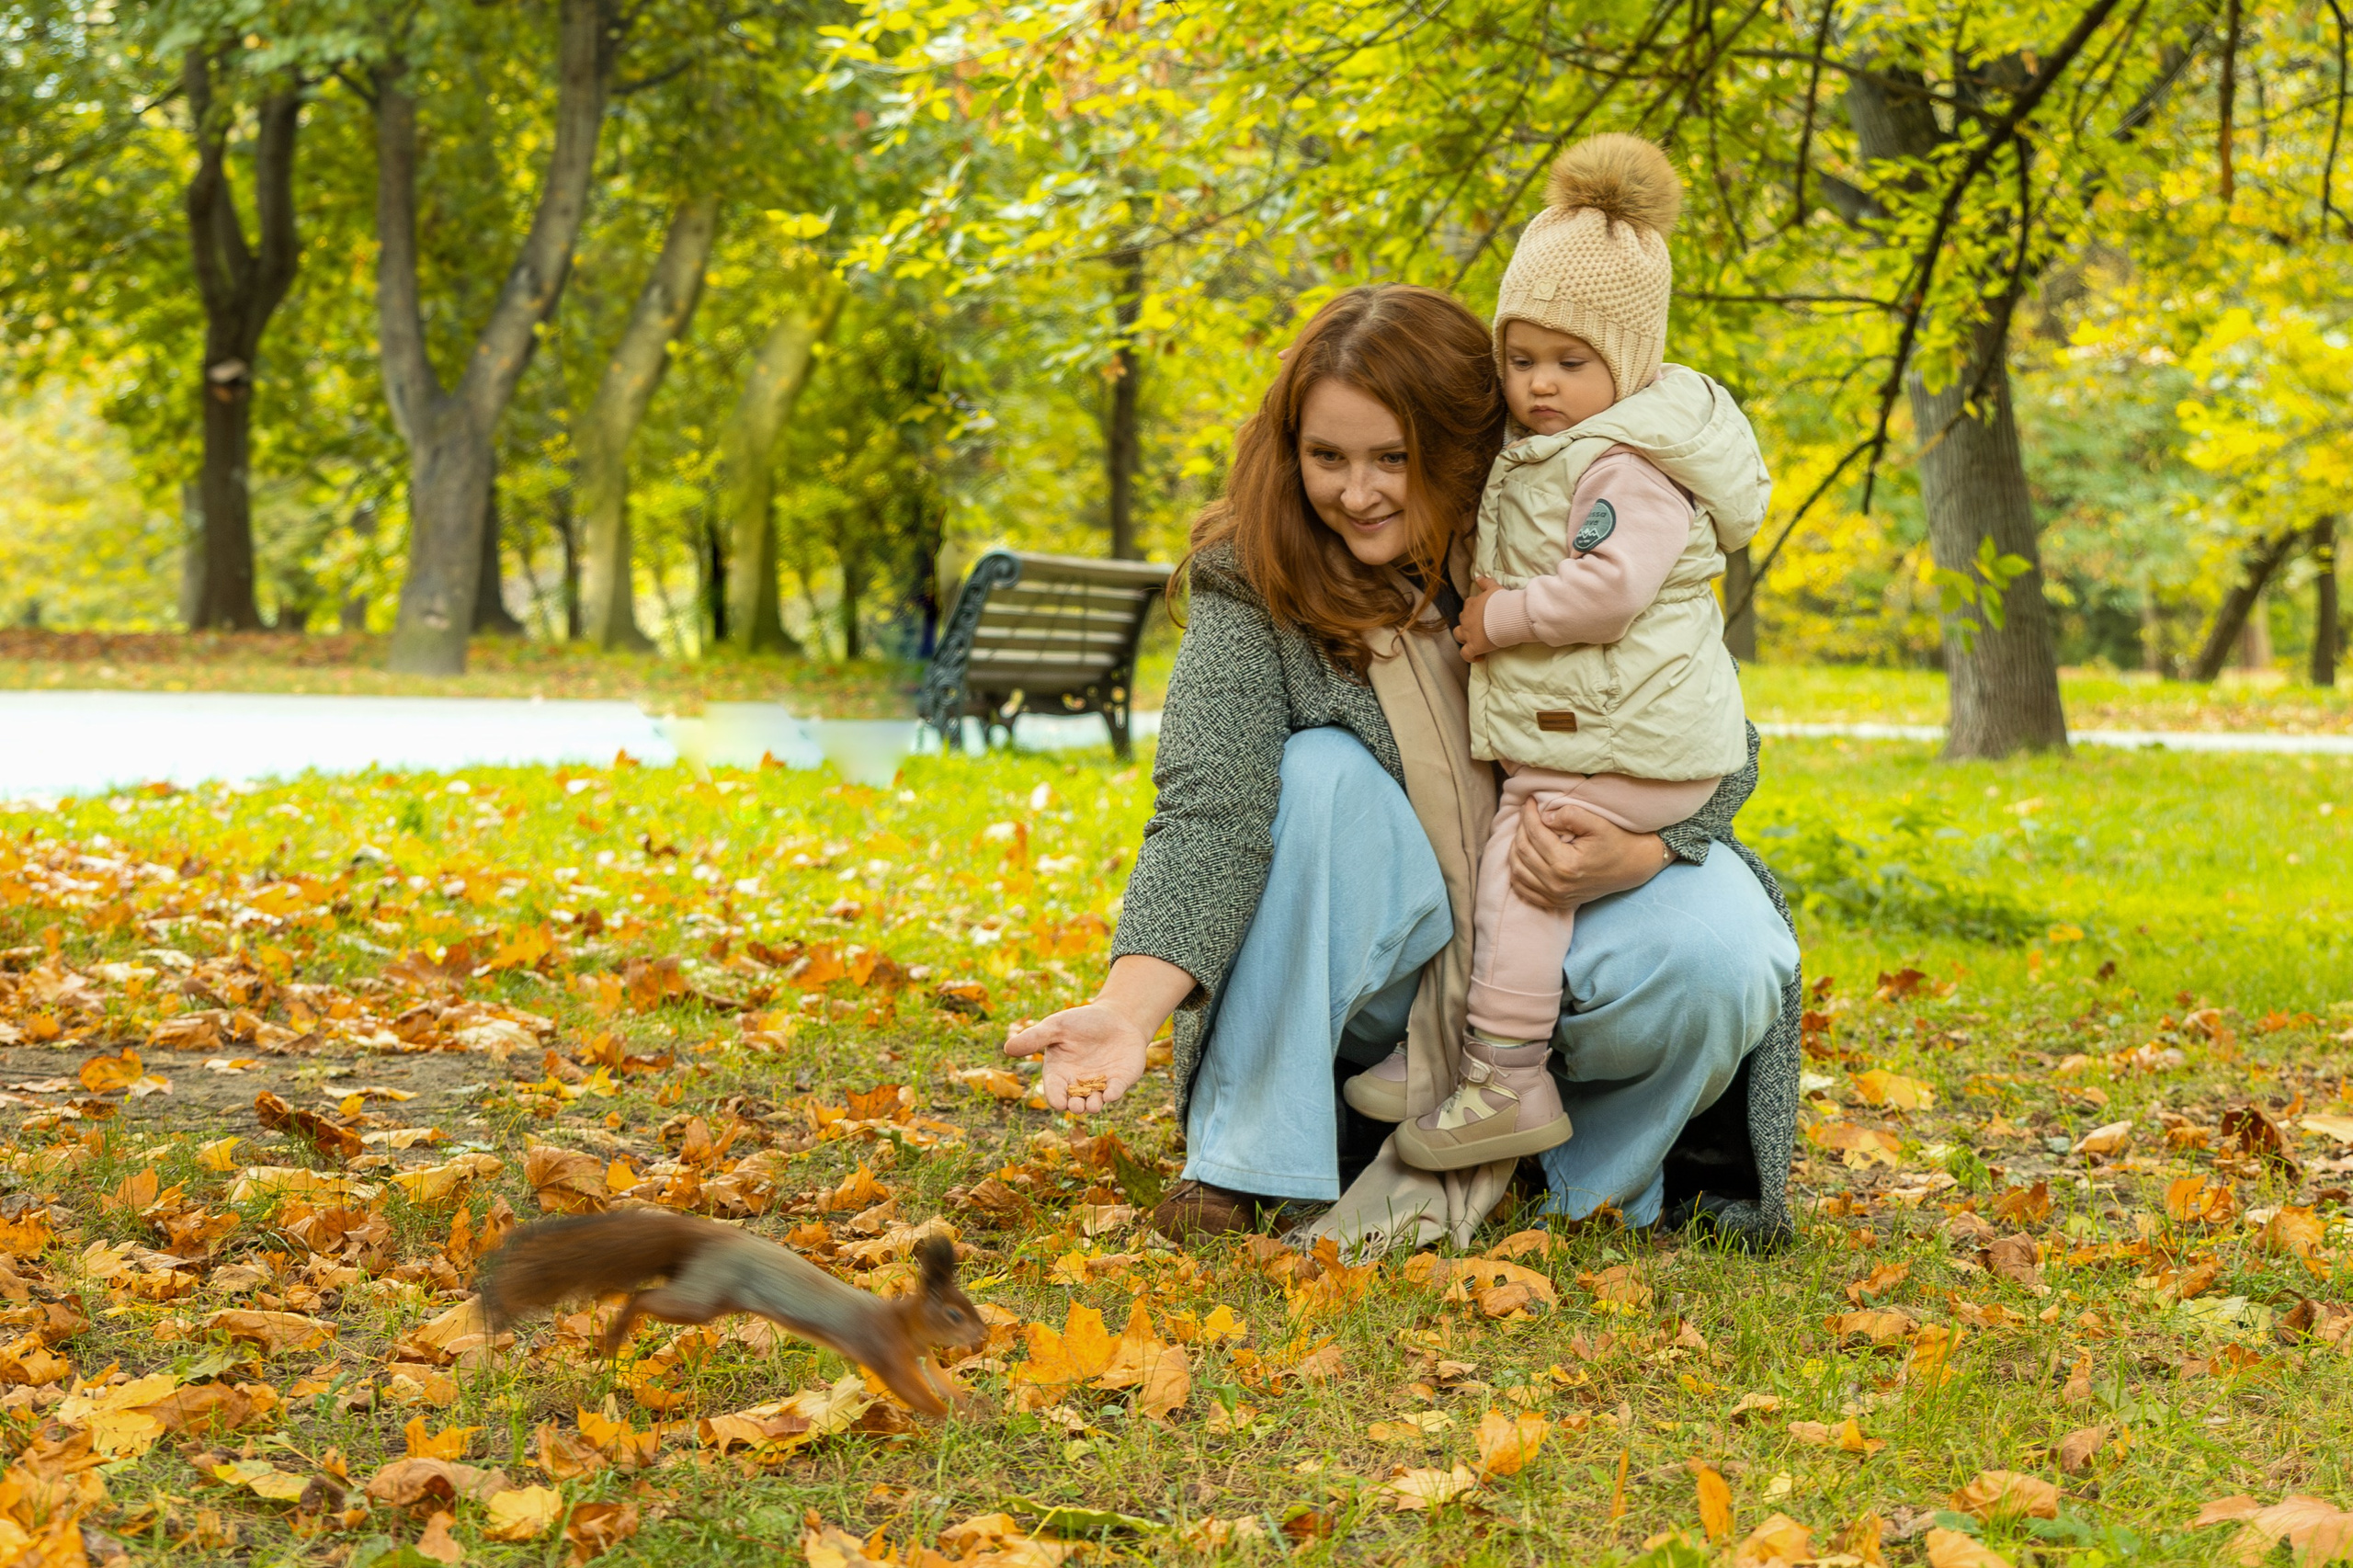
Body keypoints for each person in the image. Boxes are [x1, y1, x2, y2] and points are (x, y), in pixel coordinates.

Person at [1003, 282, 1801, 1248]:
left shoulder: (1572, 540)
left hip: (1564, 920)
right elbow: (1208, 809)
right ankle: (1254, 1163)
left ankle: (1584, 1190)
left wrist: (1646, 847)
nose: (1357, 491)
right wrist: (1124, 1010)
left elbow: (1712, 734)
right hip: (1398, 969)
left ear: (1462, 452)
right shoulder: (1255, 578)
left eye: (1395, 458)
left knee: (1725, 944)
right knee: (1322, 773)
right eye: (1325, 456)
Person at [1347, 134, 1776, 1175]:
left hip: (1620, 749)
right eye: (1521, 358)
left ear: (1626, 364)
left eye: (1569, 363)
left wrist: (1501, 618)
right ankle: (1450, 1049)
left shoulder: (1625, 464)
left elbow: (1609, 588)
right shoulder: (1562, 452)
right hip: (1609, 732)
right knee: (1490, 859)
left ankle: (1501, 1072)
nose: (1540, 385)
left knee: (1517, 873)